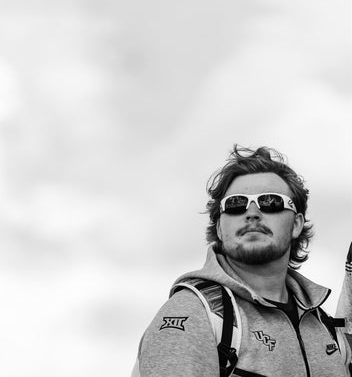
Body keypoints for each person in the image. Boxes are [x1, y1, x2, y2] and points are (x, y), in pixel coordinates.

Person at [132, 145, 351, 376]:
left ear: (296, 224)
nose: (252, 213)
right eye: (236, 204)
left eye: (270, 202)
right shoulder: (194, 314)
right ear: (219, 227)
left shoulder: (326, 328)